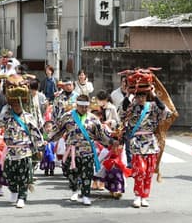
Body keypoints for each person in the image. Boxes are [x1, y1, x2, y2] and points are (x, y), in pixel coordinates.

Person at [50, 95, 114, 206]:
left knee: (87, 174)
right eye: (81, 107)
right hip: (71, 151)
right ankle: (74, 189)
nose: (84, 109)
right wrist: (47, 140)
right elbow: (58, 131)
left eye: (86, 107)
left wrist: (111, 142)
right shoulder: (67, 117)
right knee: (69, 172)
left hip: (88, 150)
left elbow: (100, 135)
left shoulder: (93, 119)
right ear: (77, 105)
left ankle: (85, 195)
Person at [120, 76, 171, 208]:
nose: (141, 98)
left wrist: (154, 95)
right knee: (139, 170)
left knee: (148, 172)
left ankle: (144, 196)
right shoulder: (131, 107)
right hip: (136, 142)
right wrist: (128, 95)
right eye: (138, 96)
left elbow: (166, 112)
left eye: (143, 96)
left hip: (150, 143)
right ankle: (137, 195)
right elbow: (121, 112)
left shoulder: (153, 106)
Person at [0, 74, 45, 208]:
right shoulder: (7, 116)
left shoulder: (28, 117)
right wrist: (7, 105)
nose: (17, 107)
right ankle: (13, 190)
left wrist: (39, 149)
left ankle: (22, 196)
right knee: (9, 174)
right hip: (11, 152)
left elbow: (36, 134)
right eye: (14, 104)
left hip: (25, 151)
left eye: (18, 104)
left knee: (24, 175)